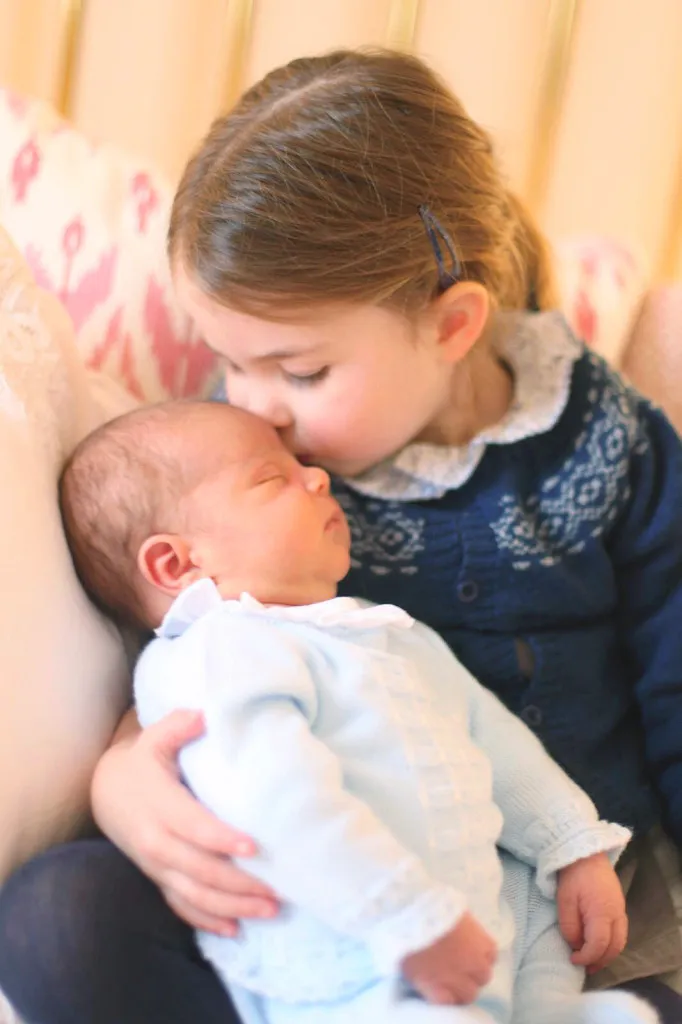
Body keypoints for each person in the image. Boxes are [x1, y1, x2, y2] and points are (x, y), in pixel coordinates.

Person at [1, 47, 681, 1024]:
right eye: (230, 363)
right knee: (56, 920)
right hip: (321, 879)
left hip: (558, 906)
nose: (255, 407)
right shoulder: (246, 454)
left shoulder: (612, 445)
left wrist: (585, 855)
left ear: (452, 325)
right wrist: (119, 780)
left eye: (300, 371)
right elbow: (184, 641)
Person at [57, 398, 650, 1024]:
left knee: (544, 921)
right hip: (361, 960)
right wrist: (408, 918)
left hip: (480, 927)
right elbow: (277, 800)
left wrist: (569, 844)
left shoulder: (388, 633)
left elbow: (495, 743)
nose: (318, 478)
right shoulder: (217, 651)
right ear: (178, 563)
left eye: (302, 466)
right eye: (273, 478)